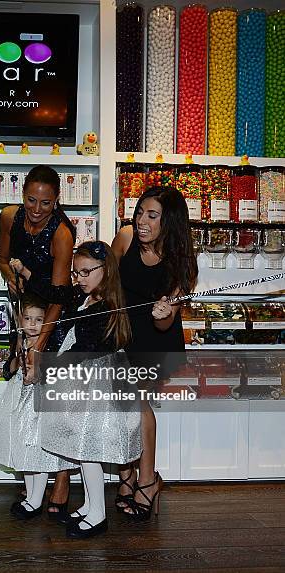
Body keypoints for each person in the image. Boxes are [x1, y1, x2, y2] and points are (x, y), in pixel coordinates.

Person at [16, 242, 142, 538]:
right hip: (82, 379)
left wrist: (44, 369)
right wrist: (26, 272)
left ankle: (98, 514)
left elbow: (82, 352)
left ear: (106, 270)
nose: (80, 278)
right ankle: (89, 504)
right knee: (83, 448)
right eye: (76, 273)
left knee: (88, 450)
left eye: (86, 272)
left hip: (95, 383)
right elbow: (54, 293)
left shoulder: (106, 307)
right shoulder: (83, 297)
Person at [112, 186, 198, 521]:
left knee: (135, 403)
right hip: (122, 333)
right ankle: (127, 477)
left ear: (170, 222)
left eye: (152, 215)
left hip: (156, 342)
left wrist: (165, 312)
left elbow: (165, 327)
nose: (142, 221)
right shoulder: (125, 237)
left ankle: (146, 481)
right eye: (140, 212)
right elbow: (107, 282)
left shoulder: (182, 263)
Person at [0, 165, 76, 518]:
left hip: (56, 320)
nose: (37, 209)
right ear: (22, 194)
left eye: (46, 202)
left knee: (55, 405)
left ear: (57, 200)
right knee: (26, 403)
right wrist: (9, 276)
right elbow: (1, 259)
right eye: (31, 199)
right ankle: (33, 475)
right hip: (26, 314)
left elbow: (60, 295)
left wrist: (41, 344)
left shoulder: (61, 233)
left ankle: (61, 481)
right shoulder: (8, 217)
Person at [0, 292, 77, 519]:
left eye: (38, 319)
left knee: (36, 451)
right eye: (28, 319)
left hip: (40, 404)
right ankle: (31, 496)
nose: (33, 324)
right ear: (19, 320)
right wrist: (18, 358)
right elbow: (12, 369)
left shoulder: (47, 343)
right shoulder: (20, 340)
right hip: (19, 402)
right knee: (24, 449)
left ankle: (35, 500)